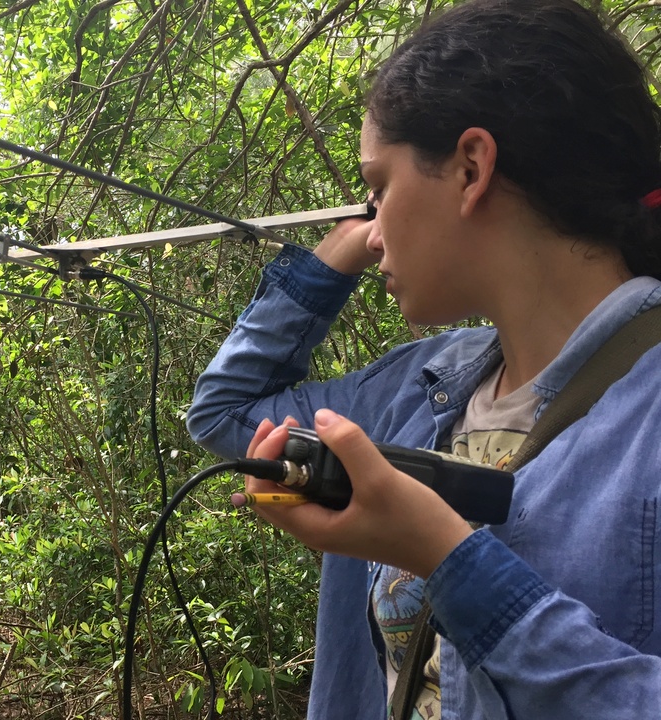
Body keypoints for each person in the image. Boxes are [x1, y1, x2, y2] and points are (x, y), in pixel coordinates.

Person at [186, 1, 661, 718]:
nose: (374, 233)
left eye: (380, 189)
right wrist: (327, 262)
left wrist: (450, 558)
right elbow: (224, 413)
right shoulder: (425, 385)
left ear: (471, 167)